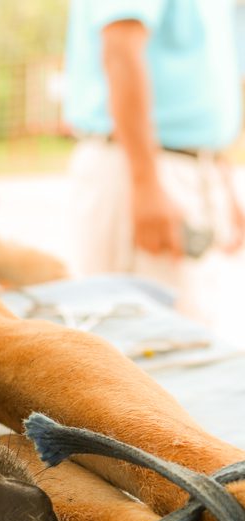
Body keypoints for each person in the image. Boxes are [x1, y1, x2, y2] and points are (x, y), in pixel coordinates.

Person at [63, 0, 245, 313]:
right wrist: (145, 182)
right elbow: (121, 48)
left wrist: (221, 175)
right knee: (140, 335)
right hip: (141, 164)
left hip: (192, 166)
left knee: (191, 331)